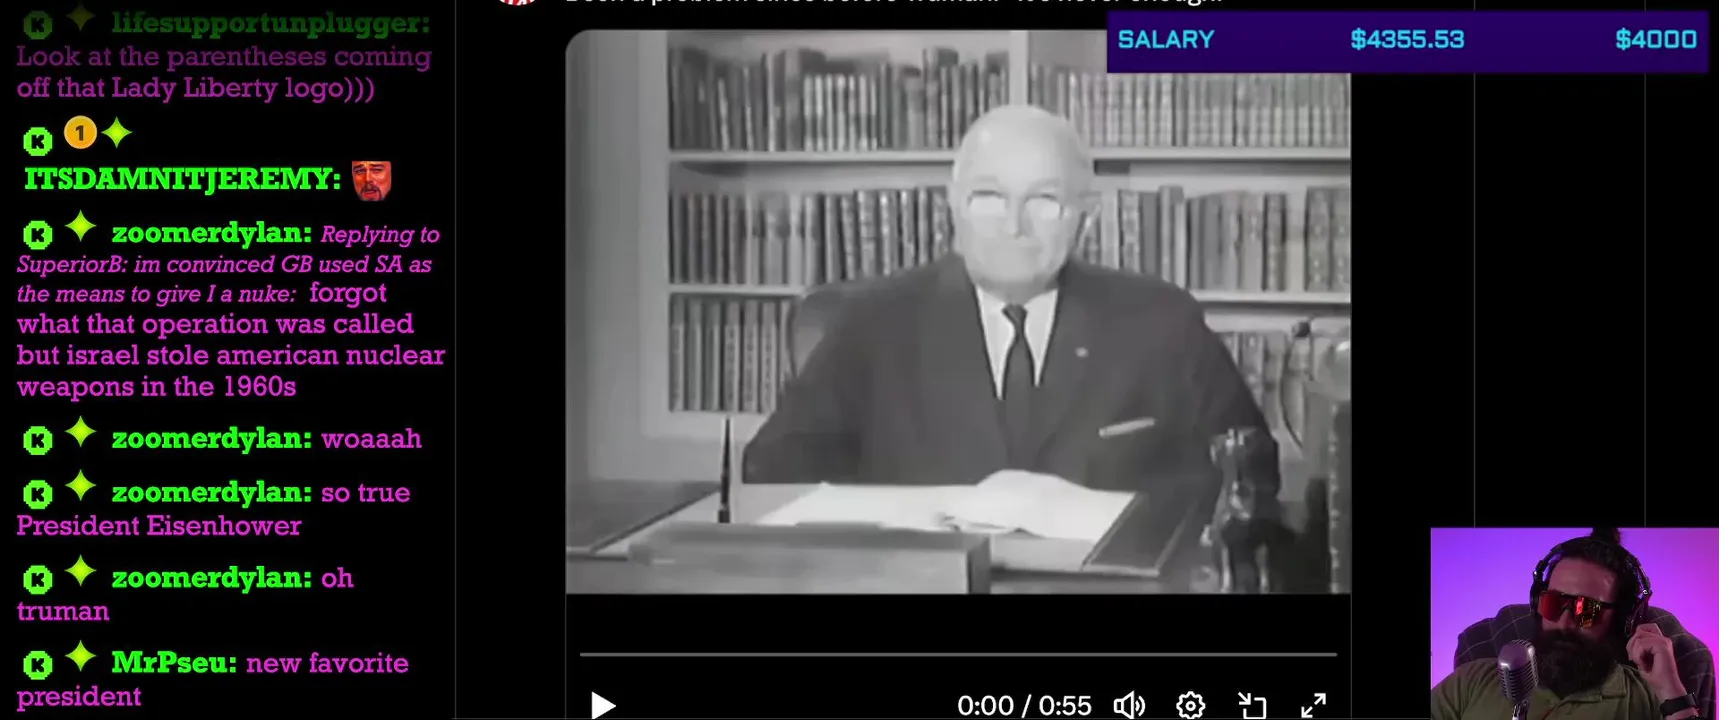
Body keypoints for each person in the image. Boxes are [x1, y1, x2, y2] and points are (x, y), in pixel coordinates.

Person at [743, 105, 1271, 503]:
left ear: (1085, 216)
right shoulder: (871, 323)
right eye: (989, 198)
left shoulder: (1162, 322)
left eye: (1043, 200)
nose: (1014, 226)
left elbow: (1250, 473)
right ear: (953, 205)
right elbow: (772, 473)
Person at [1432, 529, 1702, 720]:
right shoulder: (1471, 682)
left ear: (1622, 621)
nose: (1564, 622)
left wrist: (1671, 691)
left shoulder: (1652, 700)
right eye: (1553, 603)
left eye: (1586, 610)